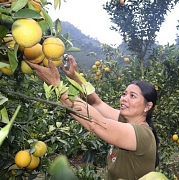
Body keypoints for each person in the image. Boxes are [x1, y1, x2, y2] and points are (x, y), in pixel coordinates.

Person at [26, 55, 160, 180]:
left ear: (147, 106)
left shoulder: (142, 134)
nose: (124, 99)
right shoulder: (124, 120)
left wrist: (56, 84)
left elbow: (95, 123)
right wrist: (75, 77)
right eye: (124, 94)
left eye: (132, 96)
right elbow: (96, 103)